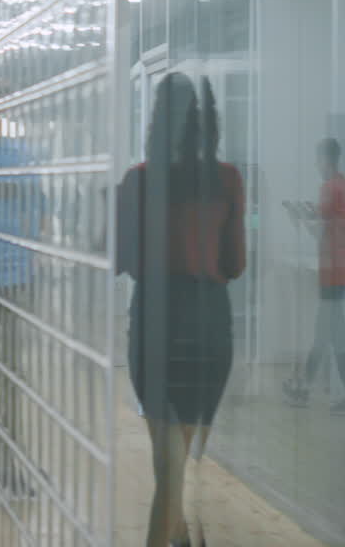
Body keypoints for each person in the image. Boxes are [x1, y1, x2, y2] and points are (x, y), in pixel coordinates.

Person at [117, 74, 245, 547]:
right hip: (208, 320)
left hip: (155, 319)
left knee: (167, 469)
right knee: (173, 465)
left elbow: (123, 259)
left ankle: (176, 538)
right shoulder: (227, 179)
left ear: (155, 122)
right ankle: (183, 539)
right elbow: (235, 264)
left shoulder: (138, 180)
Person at [282, 138, 345, 413]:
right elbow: (328, 222)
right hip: (339, 267)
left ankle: (308, 387)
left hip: (332, 269)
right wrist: (309, 213)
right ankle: (308, 386)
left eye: (317, 161)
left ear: (326, 160)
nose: (316, 166)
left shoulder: (330, 187)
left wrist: (300, 216)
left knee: (329, 332)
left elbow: (319, 229)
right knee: (329, 332)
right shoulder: (344, 186)